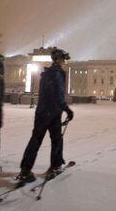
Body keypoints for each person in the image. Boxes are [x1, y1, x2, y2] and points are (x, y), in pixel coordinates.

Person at [16, 47, 74, 183]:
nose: (65, 62)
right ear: (59, 60)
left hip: (41, 112)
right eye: (64, 59)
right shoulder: (57, 74)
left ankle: (25, 169)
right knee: (56, 140)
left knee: (35, 140)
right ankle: (55, 166)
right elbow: (58, 96)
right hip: (53, 113)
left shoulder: (46, 74)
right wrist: (67, 110)